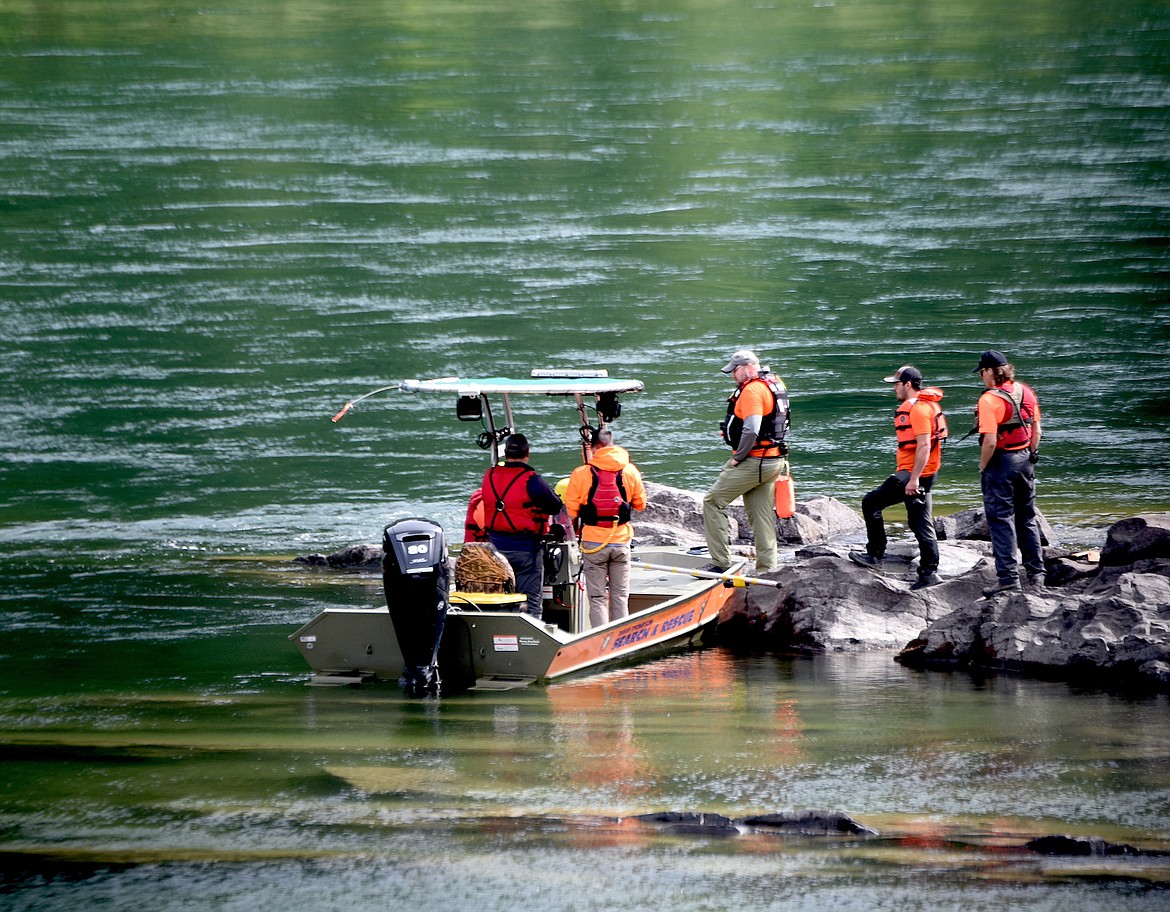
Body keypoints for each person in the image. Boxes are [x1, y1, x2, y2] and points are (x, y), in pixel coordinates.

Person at [849, 365, 946, 590]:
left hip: (913, 474)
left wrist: (913, 479)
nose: (894, 388)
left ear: (908, 384)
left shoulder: (919, 410)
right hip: (927, 472)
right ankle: (929, 572)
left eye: (896, 383)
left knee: (871, 502)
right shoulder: (929, 405)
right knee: (919, 521)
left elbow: (923, 446)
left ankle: (874, 555)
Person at [703, 349, 791, 573]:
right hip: (774, 460)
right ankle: (767, 568)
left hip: (756, 461)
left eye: (736, 370)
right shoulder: (774, 382)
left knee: (713, 502)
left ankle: (721, 562)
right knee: (761, 515)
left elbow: (752, 429)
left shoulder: (753, 390)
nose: (733, 375)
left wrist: (738, 457)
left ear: (750, 367)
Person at [973, 350, 1044, 596]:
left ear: (991, 372)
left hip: (1000, 464)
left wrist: (983, 465)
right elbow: (1037, 431)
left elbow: (990, 441)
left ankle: (1008, 580)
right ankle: (1036, 577)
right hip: (1025, 460)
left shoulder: (988, 400)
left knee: (1001, 521)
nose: (982, 377)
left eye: (982, 372)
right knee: (1027, 518)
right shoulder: (1026, 391)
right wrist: (1030, 454)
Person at [563, 428, 647, 628]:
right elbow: (641, 505)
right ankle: (621, 639)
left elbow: (572, 513)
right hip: (621, 542)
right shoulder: (630, 470)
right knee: (620, 596)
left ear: (594, 447)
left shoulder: (581, 473)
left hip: (594, 544)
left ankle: (601, 639)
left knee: (598, 597)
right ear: (611, 444)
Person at [481, 433, 563, 618]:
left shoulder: (490, 475)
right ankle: (530, 642)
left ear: (506, 453)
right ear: (527, 453)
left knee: (501, 601)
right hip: (526, 550)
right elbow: (555, 506)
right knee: (530, 602)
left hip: (495, 550)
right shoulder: (531, 479)